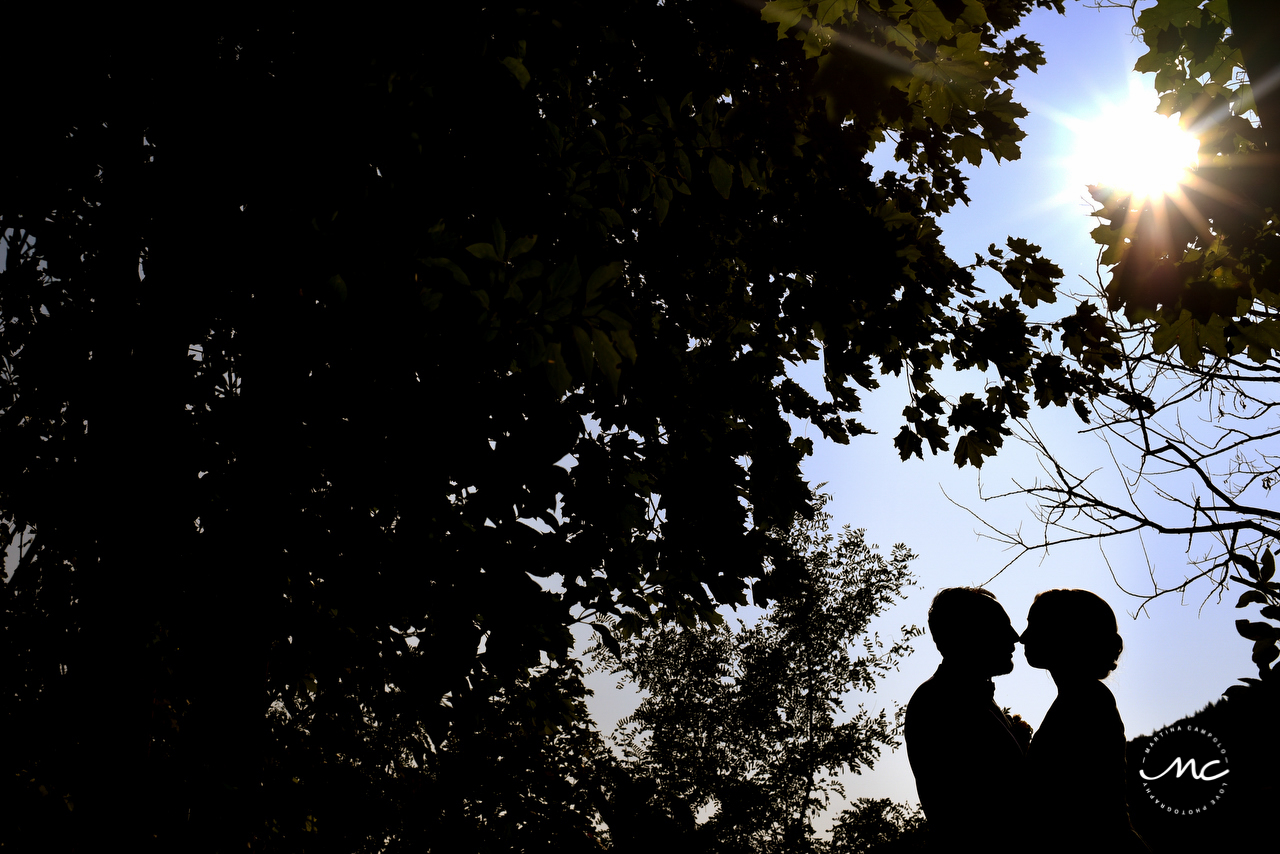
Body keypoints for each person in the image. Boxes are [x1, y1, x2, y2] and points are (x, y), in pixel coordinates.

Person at [1021, 589, 1149, 853]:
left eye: (1034, 626)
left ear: (1065, 633)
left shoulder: (1087, 701)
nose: (1023, 637)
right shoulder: (1081, 697)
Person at [905, 587, 1026, 852]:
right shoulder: (939, 703)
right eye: (1000, 627)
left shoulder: (971, 697)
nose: (1015, 637)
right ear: (969, 634)